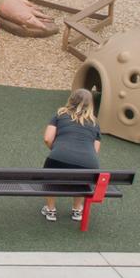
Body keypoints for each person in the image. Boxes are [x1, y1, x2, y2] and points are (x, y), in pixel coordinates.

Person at [40, 88, 102, 222]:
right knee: (84, 176)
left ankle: (51, 210)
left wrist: (57, 149)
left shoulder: (60, 115)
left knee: (49, 176)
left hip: (58, 158)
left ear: (71, 99)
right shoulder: (94, 123)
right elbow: (95, 150)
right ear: (90, 104)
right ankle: (77, 209)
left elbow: (47, 138)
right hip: (88, 164)